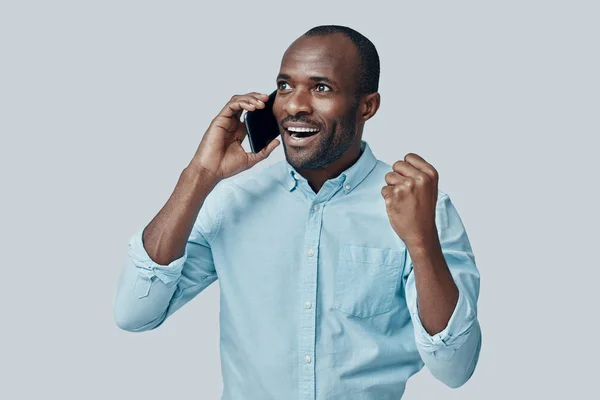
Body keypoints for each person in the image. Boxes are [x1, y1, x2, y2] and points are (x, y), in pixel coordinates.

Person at [113, 24, 482, 399]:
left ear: (367, 106)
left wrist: (421, 243)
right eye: (285, 86)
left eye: (321, 88)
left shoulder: (419, 206)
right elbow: (134, 313)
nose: (294, 105)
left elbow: (455, 368)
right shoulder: (233, 200)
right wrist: (200, 175)